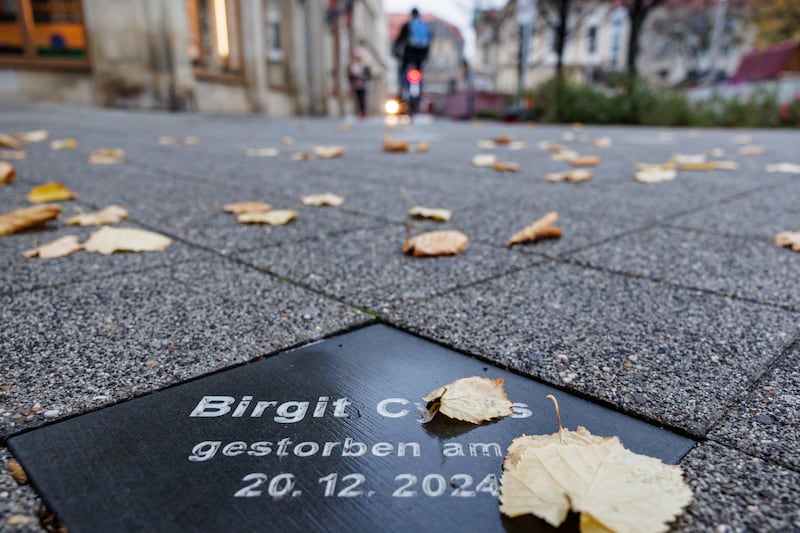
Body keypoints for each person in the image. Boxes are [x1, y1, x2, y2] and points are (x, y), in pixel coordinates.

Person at [392, 8, 430, 91]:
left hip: (409, 54)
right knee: (419, 73)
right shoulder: (425, 26)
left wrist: (394, 51)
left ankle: (401, 87)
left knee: (402, 70)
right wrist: (426, 56)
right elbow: (428, 43)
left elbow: (399, 40)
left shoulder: (408, 25)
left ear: (411, 15)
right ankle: (419, 91)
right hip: (420, 56)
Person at [348, 46, 370, 118]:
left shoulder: (364, 66)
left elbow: (368, 76)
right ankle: (358, 112)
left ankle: (363, 112)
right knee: (357, 99)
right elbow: (350, 76)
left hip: (362, 85)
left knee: (362, 99)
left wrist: (362, 77)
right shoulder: (353, 66)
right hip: (355, 85)